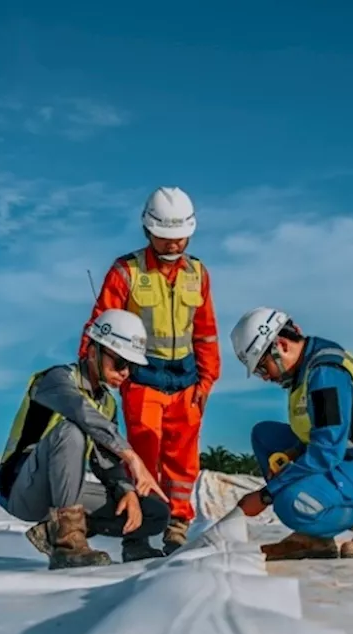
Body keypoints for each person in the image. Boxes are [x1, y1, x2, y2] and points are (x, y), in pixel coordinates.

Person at [80, 186, 221, 555]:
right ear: (148, 230)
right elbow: (100, 324)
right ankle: (137, 535)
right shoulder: (126, 271)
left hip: (187, 380)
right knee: (141, 456)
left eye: (180, 237)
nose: (174, 245)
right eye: (166, 237)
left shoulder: (198, 274)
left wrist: (207, 380)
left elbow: (206, 333)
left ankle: (176, 525)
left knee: (183, 460)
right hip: (142, 378)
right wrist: (92, 371)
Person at [227, 307, 353, 560]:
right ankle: (315, 539)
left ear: (281, 346)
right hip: (351, 457)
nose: (265, 378)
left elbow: (327, 451)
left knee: (290, 503)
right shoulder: (305, 372)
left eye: (263, 368)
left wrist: (265, 495)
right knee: (265, 436)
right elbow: (322, 436)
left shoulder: (326, 374)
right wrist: (293, 453)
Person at [0, 308, 172, 569]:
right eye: (121, 362)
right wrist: (132, 456)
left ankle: (55, 531)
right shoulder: (55, 380)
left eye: (131, 367)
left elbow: (106, 461)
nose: (125, 373)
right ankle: (67, 546)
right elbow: (80, 411)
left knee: (155, 513)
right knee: (72, 431)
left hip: (62, 490)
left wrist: (127, 491)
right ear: (92, 352)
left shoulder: (107, 404)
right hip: (21, 487)